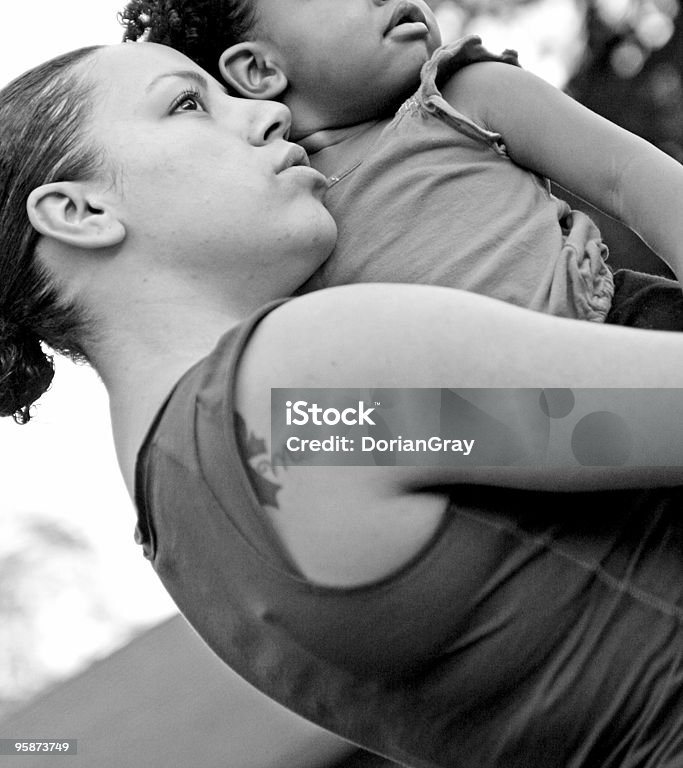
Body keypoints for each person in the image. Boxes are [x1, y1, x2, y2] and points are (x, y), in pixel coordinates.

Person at [3, 39, 683, 767]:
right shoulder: (298, 384)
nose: (267, 114)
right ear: (79, 210)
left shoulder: (180, 530)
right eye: (187, 103)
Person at [121, 0, 683, 330]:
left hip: (620, 328)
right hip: (500, 443)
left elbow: (625, 176)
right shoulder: (278, 206)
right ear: (260, 70)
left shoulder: (463, 93)